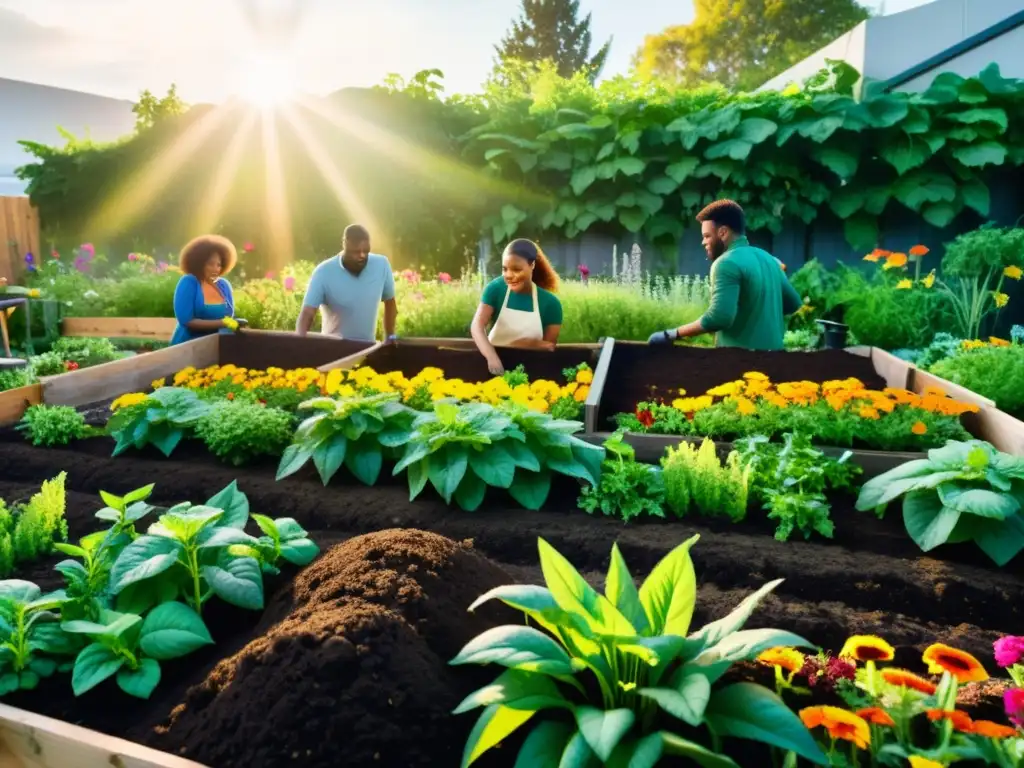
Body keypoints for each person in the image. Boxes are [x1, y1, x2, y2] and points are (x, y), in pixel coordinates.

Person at [648, 200, 802, 351]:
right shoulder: (770, 260)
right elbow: (793, 303)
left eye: (707, 236)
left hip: (740, 364)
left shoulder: (726, 263)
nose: (703, 242)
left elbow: (719, 318)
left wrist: (672, 334)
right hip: (776, 361)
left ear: (722, 232)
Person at [471, 238, 562, 375]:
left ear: (532, 265)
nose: (508, 275)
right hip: (493, 370)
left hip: (531, 373)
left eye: (516, 269)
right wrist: (492, 357)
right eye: (505, 269)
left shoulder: (550, 304)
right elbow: (477, 326)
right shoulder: (495, 289)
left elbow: (548, 347)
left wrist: (520, 343)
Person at [296, 224, 397, 343]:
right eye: (356, 252)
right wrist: (299, 343)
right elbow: (308, 312)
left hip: (365, 350)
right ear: (344, 245)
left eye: (366, 251)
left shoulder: (381, 265)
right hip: (333, 349)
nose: (362, 256)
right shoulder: (323, 272)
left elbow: (390, 305)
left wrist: (390, 337)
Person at [170, 234, 244, 346]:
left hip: (215, 346)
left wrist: (234, 324)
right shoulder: (189, 282)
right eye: (211, 264)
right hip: (188, 346)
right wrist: (222, 323)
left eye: (219, 265)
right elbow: (186, 321)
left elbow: (229, 316)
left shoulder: (224, 285)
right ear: (199, 263)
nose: (215, 269)